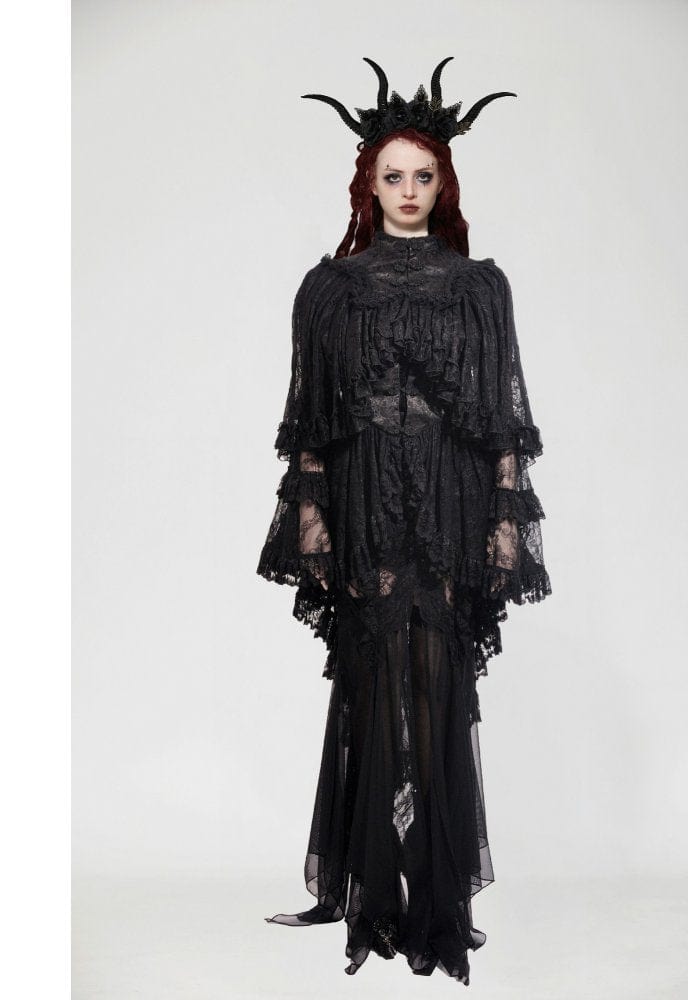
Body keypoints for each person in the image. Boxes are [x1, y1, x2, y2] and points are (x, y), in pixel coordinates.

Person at [256, 57, 552, 986]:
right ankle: (371, 894)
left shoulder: (481, 288)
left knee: (438, 686)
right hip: (364, 509)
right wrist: (313, 521)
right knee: (371, 685)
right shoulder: (329, 290)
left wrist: (505, 522)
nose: (410, 191)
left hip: (451, 508)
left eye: (424, 175)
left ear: (444, 182)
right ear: (369, 183)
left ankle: (438, 902)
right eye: (394, 176)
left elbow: (502, 415)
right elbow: (309, 418)